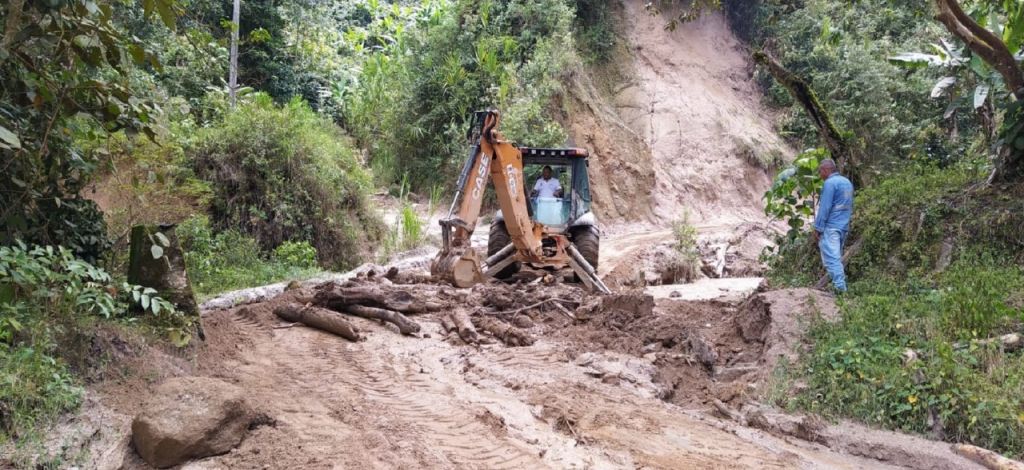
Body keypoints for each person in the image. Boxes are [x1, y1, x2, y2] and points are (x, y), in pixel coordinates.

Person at [813, 159, 854, 293]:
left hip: (831, 227)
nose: (820, 175)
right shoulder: (846, 182)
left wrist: (818, 228)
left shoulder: (830, 183)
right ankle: (838, 287)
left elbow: (825, 208)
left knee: (832, 260)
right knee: (835, 258)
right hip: (843, 226)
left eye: (820, 171)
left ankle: (840, 289)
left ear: (826, 170)